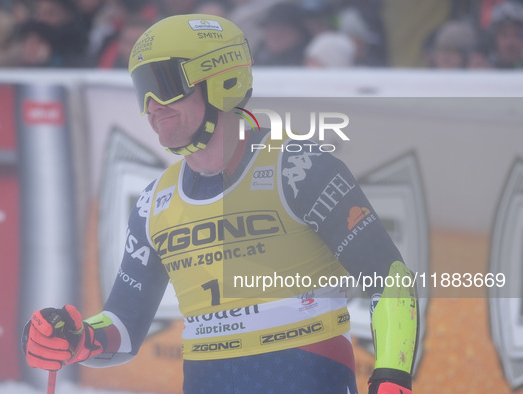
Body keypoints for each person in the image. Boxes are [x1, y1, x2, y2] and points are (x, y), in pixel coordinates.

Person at [22, 13, 419, 394]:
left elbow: (390, 277)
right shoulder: (154, 204)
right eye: (142, 90)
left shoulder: (300, 170)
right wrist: (77, 339)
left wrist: (392, 375)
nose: (152, 105)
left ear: (220, 80)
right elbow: (125, 326)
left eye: (163, 84)